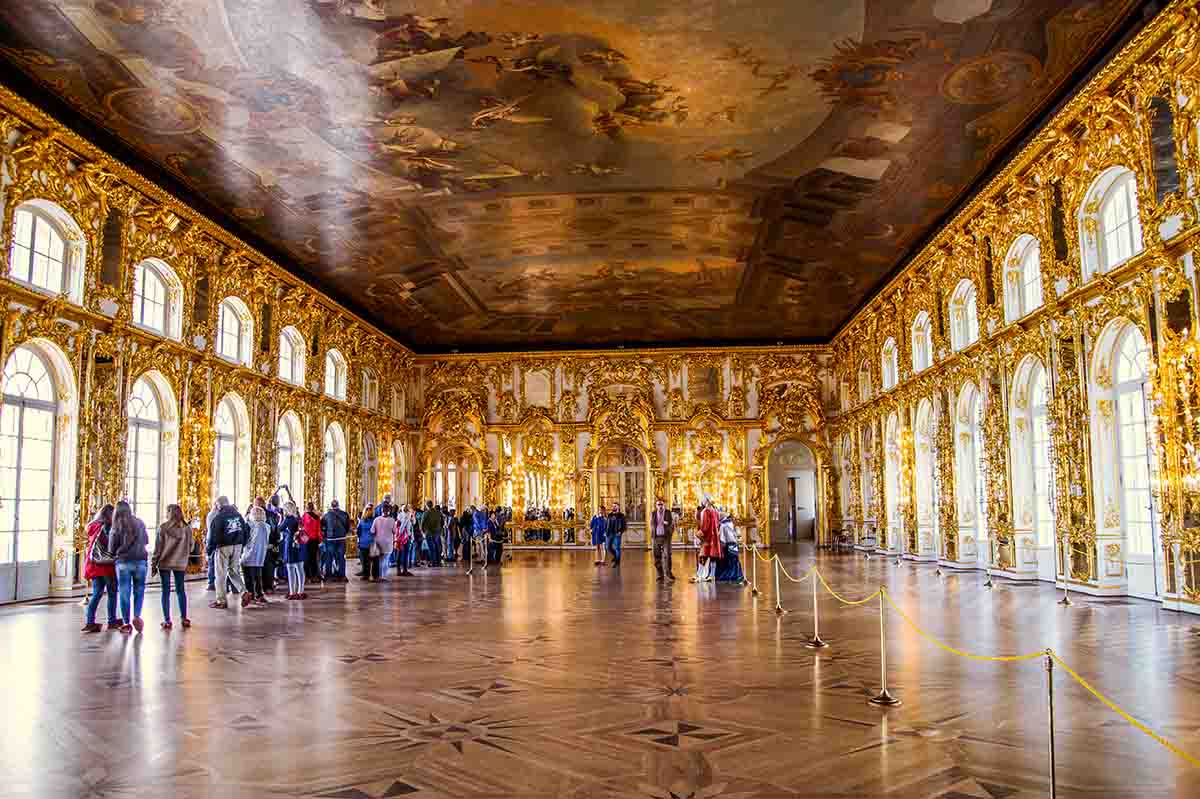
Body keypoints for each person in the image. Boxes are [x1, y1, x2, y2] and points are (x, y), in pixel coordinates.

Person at [109, 500, 149, 634]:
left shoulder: (116, 526)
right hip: (141, 561)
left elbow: (111, 548)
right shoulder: (140, 522)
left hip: (123, 562)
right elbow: (147, 540)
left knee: (124, 592)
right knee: (139, 590)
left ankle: (126, 623)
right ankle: (137, 616)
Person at [152, 504, 192, 629]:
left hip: (164, 562)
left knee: (165, 591)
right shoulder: (187, 528)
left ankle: (167, 620)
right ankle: (184, 618)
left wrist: (154, 563)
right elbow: (191, 545)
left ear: (169, 513)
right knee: (181, 590)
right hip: (180, 563)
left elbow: (158, 548)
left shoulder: (163, 528)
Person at [82, 504, 119, 633]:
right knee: (112, 594)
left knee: (96, 594)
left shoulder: (93, 527)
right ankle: (112, 620)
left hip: (95, 565)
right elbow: (113, 546)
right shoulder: (108, 527)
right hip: (107, 566)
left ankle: (90, 621)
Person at [207, 495, 249, 609]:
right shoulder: (238, 515)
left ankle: (221, 601)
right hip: (238, 546)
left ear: (218, 504)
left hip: (223, 546)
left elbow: (213, 535)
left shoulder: (219, 517)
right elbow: (246, 530)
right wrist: (242, 544)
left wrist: (209, 551)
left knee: (220, 574)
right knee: (233, 571)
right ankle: (244, 591)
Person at [242, 505, 270, 605]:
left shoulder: (251, 525)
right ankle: (259, 594)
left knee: (248, 577)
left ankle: (251, 595)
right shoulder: (267, 526)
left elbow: (246, 540)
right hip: (260, 555)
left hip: (250, 554)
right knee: (258, 577)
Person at [280, 501, 306, 600]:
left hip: (291, 545)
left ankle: (292, 592)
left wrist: (280, 519)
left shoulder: (288, 519)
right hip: (300, 544)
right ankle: (301, 591)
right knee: (300, 569)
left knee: (290, 569)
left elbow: (279, 529)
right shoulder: (298, 518)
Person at [321, 499, 351, 582]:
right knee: (341, 557)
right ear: (338, 505)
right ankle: (342, 576)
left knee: (329, 557)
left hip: (330, 539)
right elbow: (348, 527)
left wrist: (325, 536)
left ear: (331, 506)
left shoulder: (326, 515)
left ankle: (329, 576)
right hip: (341, 539)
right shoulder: (345, 514)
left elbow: (322, 527)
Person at [692, 498, 721, 583]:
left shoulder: (705, 511)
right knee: (713, 557)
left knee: (702, 556)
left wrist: (698, 534)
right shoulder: (716, 511)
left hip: (707, 538)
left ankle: (699, 575)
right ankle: (712, 575)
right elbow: (718, 524)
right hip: (714, 537)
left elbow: (705, 526)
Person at [715, 511, 745, 582]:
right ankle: (737, 575)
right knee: (735, 560)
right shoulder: (732, 523)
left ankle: (727, 576)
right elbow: (737, 534)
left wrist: (721, 545)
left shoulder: (723, 525)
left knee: (727, 562)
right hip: (734, 545)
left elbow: (722, 538)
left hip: (727, 546)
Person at [651, 498, 675, 582]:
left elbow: (672, 524)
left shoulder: (668, 513)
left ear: (664, 505)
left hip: (666, 537)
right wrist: (653, 534)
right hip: (656, 537)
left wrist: (670, 533)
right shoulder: (653, 513)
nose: (660, 506)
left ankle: (668, 573)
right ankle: (660, 574)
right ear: (656, 506)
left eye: (661, 504)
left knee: (667, 555)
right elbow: (652, 524)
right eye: (658, 504)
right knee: (657, 556)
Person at [372, 504, 398, 581]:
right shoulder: (392, 520)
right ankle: (383, 576)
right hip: (388, 543)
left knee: (380, 560)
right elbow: (395, 531)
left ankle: (379, 576)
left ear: (381, 511)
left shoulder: (376, 519)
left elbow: (372, 531)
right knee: (386, 560)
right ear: (389, 511)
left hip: (379, 542)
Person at [262, 495, 281, 594]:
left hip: (264, 545)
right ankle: (269, 586)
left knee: (262, 566)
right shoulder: (273, 514)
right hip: (270, 544)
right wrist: (275, 542)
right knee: (270, 566)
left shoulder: (256, 514)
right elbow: (276, 530)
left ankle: (262, 587)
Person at [301, 503, 323, 583]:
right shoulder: (317, 517)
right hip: (314, 540)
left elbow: (301, 528)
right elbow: (319, 530)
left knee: (306, 559)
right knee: (313, 559)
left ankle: (307, 576)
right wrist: (320, 540)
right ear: (313, 508)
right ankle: (314, 576)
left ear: (306, 508)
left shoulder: (304, 516)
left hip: (306, 540)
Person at [356, 504, 376, 580]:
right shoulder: (374, 520)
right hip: (371, 542)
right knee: (372, 560)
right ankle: (373, 574)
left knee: (364, 560)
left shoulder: (361, 521)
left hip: (363, 542)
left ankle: (365, 574)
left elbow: (358, 531)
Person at [204, 499, 220, 591]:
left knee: (212, 563)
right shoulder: (216, 515)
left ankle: (211, 582)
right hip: (216, 541)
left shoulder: (210, 514)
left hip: (211, 540)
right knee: (215, 564)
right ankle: (213, 582)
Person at [422, 501, 443, 566]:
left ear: (427, 505)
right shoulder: (438, 512)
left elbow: (422, 523)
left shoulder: (426, 513)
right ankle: (438, 562)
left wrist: (423, 531)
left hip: (429, 532)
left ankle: (433, 562)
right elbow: (442, 521)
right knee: (437, 547)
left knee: (431, 547)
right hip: (437, 532)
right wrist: (439, 529)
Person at [605, 503, 626, 568]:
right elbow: (607, 524)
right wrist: (606, 531)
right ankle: (615, 556)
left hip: (617, 534)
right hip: (609, 533)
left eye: (615, 506)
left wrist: (620, 531)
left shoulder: (621, 515)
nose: (613, 507)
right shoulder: (609, 515)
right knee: (608, 547)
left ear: (618, 507)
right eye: (613, 506)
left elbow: (624, 526)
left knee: (617, 548)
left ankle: (617, 562)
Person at [396, 504, 414, 576]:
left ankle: (405, 569)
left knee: (406, 553)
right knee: (400, 553)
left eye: (408, 508)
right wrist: (399, 535)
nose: (407, 509)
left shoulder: (409, 515)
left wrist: (413, 517)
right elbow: (401, 526)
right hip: (402, 537)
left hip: (407, 536)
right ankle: (399, 570)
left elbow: (413, 523)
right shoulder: (401, 515)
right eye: (406, 508)